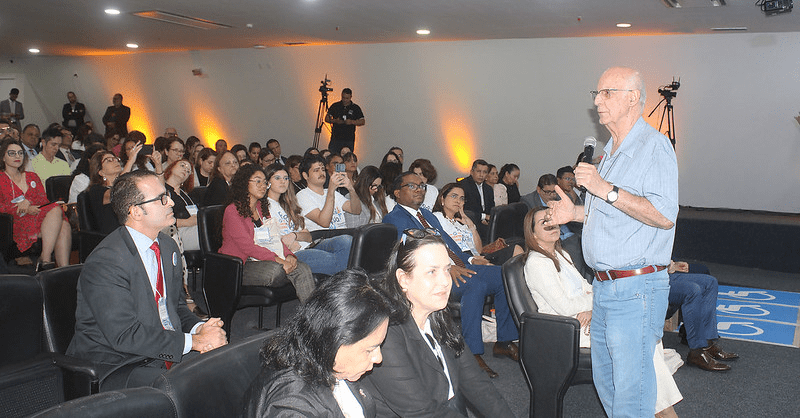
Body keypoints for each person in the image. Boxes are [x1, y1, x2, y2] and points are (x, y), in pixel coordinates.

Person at [546, 66, 679, 417]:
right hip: (604, 288)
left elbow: (664, 215)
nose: (597, 101)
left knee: (631, 392)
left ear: (633, 98)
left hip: (635, 288)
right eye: (597, 93)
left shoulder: (654, 147)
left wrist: (606, 189)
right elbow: (612, 214)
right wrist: (574, 213)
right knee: (609, 384)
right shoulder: (609, 150)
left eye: (607, 93)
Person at [67, 170, 227, 390]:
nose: (170, 201)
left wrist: (200, 329)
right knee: (189, 387)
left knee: (225, 367)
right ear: (136, 211)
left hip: (158, 350)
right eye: (162, 198)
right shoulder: (106, 261)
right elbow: (124, 335)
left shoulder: (167, 245)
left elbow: (176, 308)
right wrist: (195, 342)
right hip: (117, 362)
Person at [523, 206, 682, 418]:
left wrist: (592, 306)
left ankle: (656, 409)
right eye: (544, 222)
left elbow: (588, 288)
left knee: (643, 338)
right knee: (639, 343)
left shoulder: (560, 254)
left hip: (584, 319)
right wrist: (594, 304)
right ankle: (662, 411)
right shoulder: (537, 263)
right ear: (532, 233)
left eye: (552, 219)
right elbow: (566, 307)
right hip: (565, 330)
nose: (552, 225)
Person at [362, 232, 514, 417]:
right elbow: (421, 412)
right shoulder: (385, 335)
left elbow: (478, 385)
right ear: (403, 279)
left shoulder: (438, 316)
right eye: (431, 272)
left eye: (447, 269)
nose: (445, 281)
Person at [382, 172, 519, 378]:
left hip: (453, 265)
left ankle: (504, 340)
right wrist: (446, 267)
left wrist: (470, 260)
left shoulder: (426, 215)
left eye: (422, 186)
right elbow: (417, 251)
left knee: (503, 274)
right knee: (476, 286)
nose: (420, 189)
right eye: (413, 186)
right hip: (431, 274)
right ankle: (471, 353)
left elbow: (447, 241)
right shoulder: (394, 218)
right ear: (397, 193)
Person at [242, 269, 392, 418]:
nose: (378, 358)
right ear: (334, 342)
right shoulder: (291, 407)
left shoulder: (330, 368)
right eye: (369, 350)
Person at [218, 164, 315, 302]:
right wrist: (281, 261)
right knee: (277, 271)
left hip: (265, 258)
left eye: (265, 182)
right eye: (257, 181)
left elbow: (275, 237)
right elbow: (248, 247)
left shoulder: (262, 208)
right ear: (245, 183)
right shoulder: (233, 211)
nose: (263, 185)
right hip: (241, 265)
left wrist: (289, 255)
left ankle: (313, 320)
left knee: (302, 268)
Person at [264, 163, 352, 276]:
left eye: (286, 178)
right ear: (267, 182)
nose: (283, 181)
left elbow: (308, 236)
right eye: (277, 178)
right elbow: (266, 238)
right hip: (296, 253)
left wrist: (294, 235)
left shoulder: (290, 205)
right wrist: (287, 244)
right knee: (334, 260)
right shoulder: (264, 206)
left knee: (346, 240)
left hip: (310, 245)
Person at [0, 139, 71, 271]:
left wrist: (29, 203)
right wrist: (21, 208)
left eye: (20, 153)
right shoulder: (1, 179)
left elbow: (43, 200)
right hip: (15, 221)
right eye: (12, 153)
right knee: (57, 213)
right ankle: (46, 261)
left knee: (62, 223)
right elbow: (1, 207)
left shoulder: (32, 176)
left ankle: (61, 269)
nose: (17, 156)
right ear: (3, 156)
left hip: (39, 215)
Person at [668, 261, 738, 371]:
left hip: (663, 273)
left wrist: (672, 264)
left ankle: (707, 343)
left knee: (710, 282)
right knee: (692, 290)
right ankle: (697, 351)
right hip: (647, 277)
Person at [432, 183, 522, 266]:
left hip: (477, 258)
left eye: (462, 198)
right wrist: (471, 259)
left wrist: (472, 227)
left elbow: (478, 250)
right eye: (454, 196)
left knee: (516, 249)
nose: (458, 201)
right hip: (462, 261)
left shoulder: (461, 222)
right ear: (442, 199)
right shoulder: (436, 218)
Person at [296, 155, 361, 231]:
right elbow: (324, 223)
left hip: (342, 234)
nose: (321, 173)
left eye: (323, 169)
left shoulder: (333, 193)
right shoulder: (302, 195)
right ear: (305, 175)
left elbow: (356, 210)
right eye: (316, 170)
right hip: (322, 238)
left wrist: (351, 189)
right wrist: (331, 190)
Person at [163, 159, 199, 251]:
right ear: (171, 168)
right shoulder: (163, 191)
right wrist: (187, 222)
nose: (185, 170)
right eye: (182, 166)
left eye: (188, 171)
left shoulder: (185, 195)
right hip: (177, 233)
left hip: (194, 229)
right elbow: (161, 221)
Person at [457, 159, 493, 241]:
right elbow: (465, 209)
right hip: (468, 222)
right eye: (479, 171)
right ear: (472, 172)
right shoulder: (463, 185)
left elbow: (491, 208)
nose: (481, 175)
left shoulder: (488, 189)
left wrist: (487, 219)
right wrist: (483, 217)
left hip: (485, 223)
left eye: (484, 172)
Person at [325, 88, 365, 154]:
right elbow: (326, 118)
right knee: (333, 158)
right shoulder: (335, 106)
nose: (345, 100)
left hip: (348, 140)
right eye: (343, 98)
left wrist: (352, 122)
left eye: (347, 98)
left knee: (347, 160)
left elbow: (362, 121)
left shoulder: (355, 108)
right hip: (335, 139)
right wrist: (335, 121)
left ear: (350, 97)